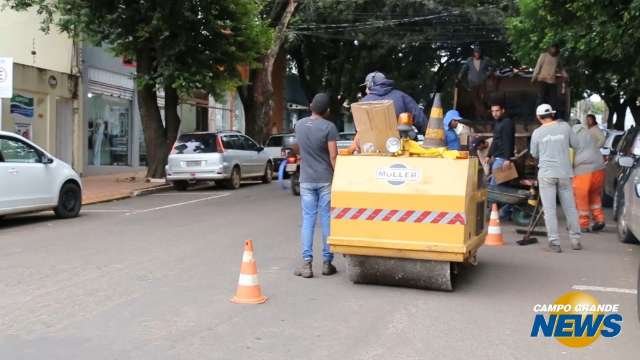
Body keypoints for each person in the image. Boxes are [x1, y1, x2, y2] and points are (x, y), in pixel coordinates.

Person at [293, 93, 339, 278]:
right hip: (325, 179)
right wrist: (339, 175)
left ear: (311, 106)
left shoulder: (300, 125)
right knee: (327, 218)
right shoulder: (329, 127)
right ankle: (327, 263)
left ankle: (306, 264)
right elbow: (333, 156)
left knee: (308, 220)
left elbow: (299, 147)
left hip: (306, 179)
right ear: (327, 110)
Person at [530, 104, 582, 253]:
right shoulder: (565, 127)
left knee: (550, 210)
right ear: (552, 114)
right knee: (570, 208)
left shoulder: (537, 133)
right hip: (565, 173)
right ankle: (575, 240)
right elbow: (576, 145)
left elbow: (534, 154)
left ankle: (554, 243)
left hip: (546, 174)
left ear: (539, 117)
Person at [361, 72, 427, 133]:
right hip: (400, 143)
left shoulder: (363, 102)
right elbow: (421, 121)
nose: (366, 90)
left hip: (372, 143)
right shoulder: (402, 96)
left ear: (370, 84)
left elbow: (359, 128)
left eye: (366, 86)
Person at [572, 122, 606, 232]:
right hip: (599, 168)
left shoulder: (572, 137)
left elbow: (569, 155)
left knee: (581, 197)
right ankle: (599, 219)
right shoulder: (589, 134)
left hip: (583, 170)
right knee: (594, 195)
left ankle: (583, 224)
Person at [487, 101, 515, 219]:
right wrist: (489, 155)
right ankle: (505, 212)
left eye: (497, 111)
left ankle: (495, 213)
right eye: (493, 111)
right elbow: (496, 140)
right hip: (498, 158)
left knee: (494, 189)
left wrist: (507, 159)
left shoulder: (507, 123)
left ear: (503, 110)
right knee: (504, 188)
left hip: (502, 160)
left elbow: (508, 141)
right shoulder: (498, 123)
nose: (495, 113)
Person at [457, 44, 495, 119]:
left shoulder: (485, 60)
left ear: (480, 53)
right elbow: (463, 69)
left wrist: (488, 73)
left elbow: (493, 66)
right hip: (472, 83)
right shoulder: (469, 60)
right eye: (476, 52)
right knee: (475, 99)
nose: (477, 54)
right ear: (473, 53)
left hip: (482, 82)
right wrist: (459, 77)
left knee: (483, 98)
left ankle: (484, 113)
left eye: (478, 52)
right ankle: (481, 114)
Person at [532, 44, 567, 112]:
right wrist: (534, 77)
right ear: (550, 49)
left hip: (552, 81)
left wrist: (565, 75)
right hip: (542, 80)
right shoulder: (543, 55)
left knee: (553, 99)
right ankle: (538, 114)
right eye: (552, 48)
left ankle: (552, 114)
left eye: (555, 49)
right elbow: (538, 66)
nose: (553, 50)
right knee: (541, 98)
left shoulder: (557, 58)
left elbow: (561, 69)